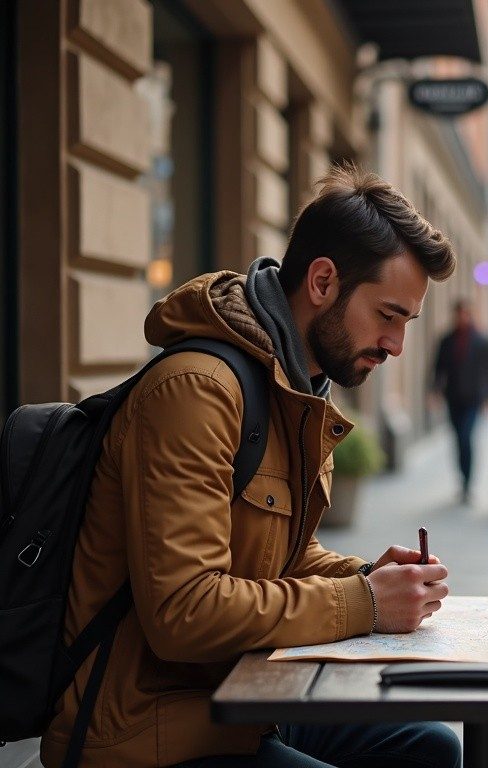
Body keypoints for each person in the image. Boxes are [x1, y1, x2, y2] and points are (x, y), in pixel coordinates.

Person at [42, 165, 461, 768]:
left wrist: (370, 573)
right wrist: (364, 602)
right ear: (322, 281)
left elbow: (278, 555)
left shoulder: (293, 386)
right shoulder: (197, 391)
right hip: (147, 729)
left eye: (406, 323)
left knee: (428, 745)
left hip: (241, 695)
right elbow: (183, 612)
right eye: (388, 314)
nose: (396, 344)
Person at [431, 299, 488, 504]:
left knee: (466, 438)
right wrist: (435, 392)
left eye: (465, 313)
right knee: (458, 440)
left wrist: (486, 397)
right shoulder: (446, 340)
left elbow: (486, 372)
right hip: (453, 398)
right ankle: (462, 479)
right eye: (459, 314)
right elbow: (438, 368)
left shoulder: (480, 341)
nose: (462, 317)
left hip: (473, 399)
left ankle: (468, 482)